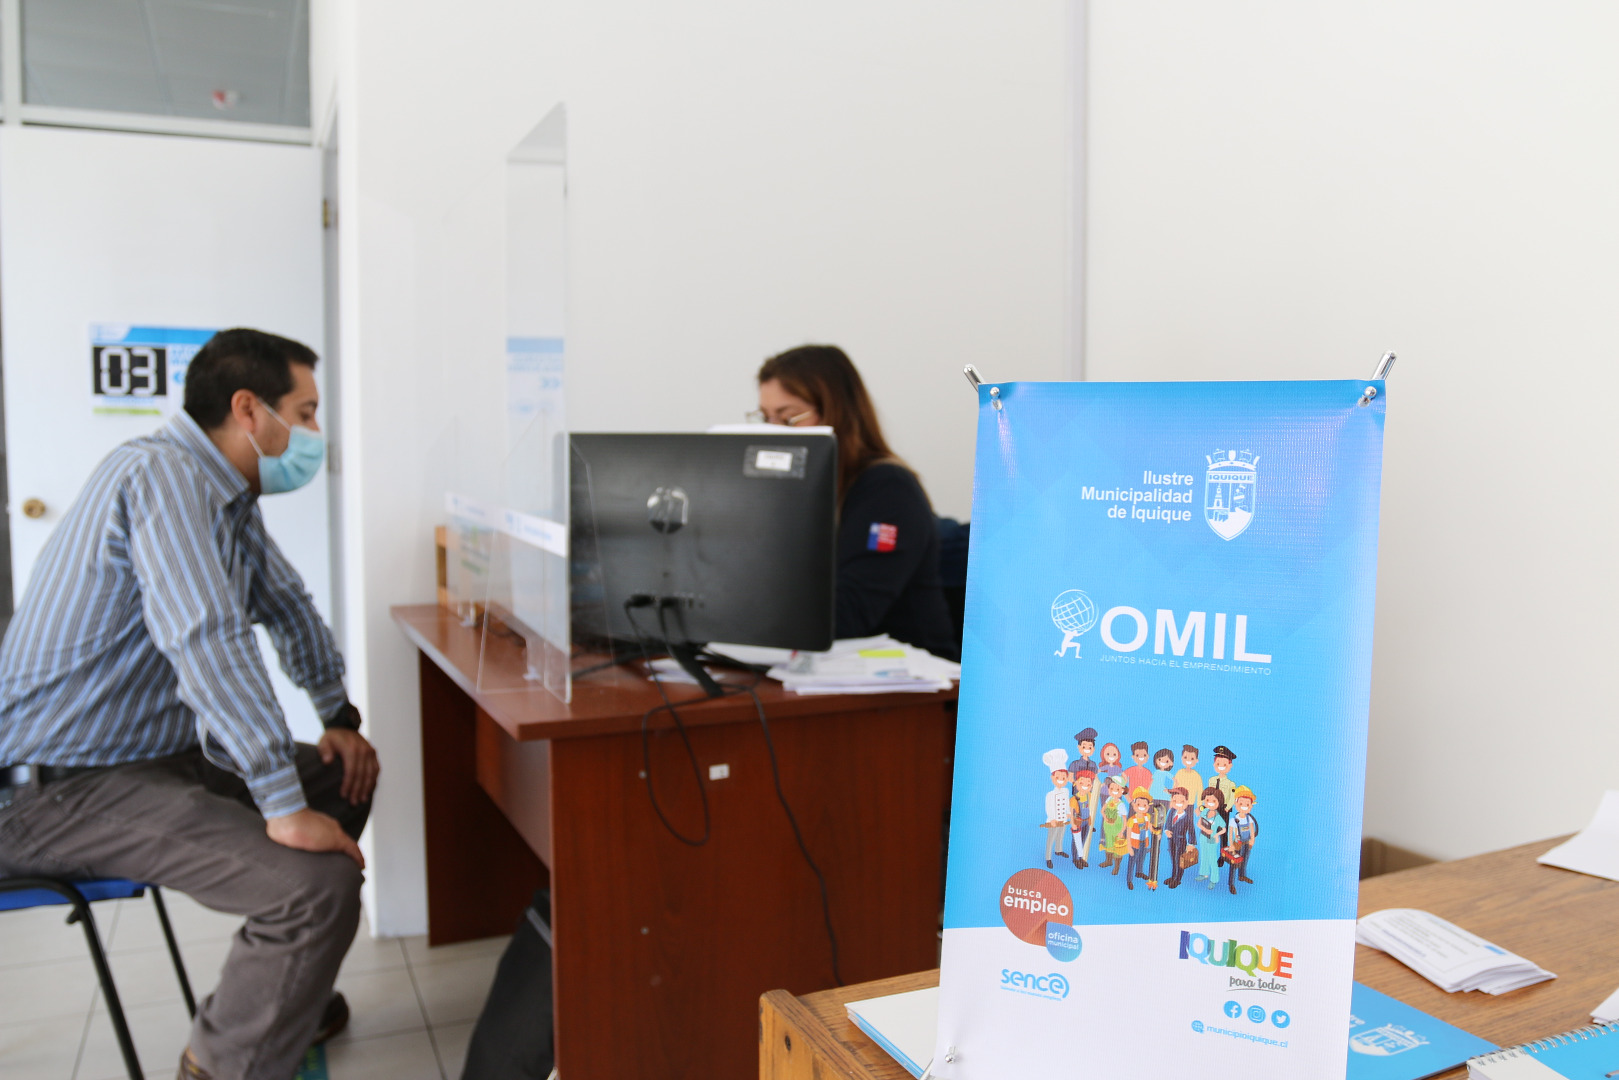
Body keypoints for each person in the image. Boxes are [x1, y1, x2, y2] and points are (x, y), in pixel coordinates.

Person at [0, 329, 379, 1080]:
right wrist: (279, 803)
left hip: (149, 762)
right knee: (317, 887)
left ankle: (279, 999)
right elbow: (208, 638)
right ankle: (223, 1063)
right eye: (304, 413)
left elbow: (286, 604)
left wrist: (338, 719)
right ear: (248, 410)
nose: (314, 433)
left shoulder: (225, 497)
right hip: (57, 790)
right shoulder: (163, 478)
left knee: (343, 776)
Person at [753, 345, 957, 659]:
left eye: (789, 418)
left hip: (909, 675)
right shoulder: (795, 493)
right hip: (822, 666)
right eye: (766, 418)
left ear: (836, 411)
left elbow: (849, 613)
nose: (774, 433)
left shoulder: (888, 488)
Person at [1039, 749, 1071, 869]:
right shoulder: (1050, 795)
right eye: (1058, 777)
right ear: (1052, 778)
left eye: (1064, 777)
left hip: (1063, 819)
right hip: (1054, 820)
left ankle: (1058, 850)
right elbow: (1049, 808)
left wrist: (1068, 813)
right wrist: (1052, 819)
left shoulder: (1066, 791)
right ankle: (1048, 857)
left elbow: (1067, 803)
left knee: (1061, 835)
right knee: (1051, 838)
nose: (1061, 780)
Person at [1162, 787, 1196, 889]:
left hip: (1181, 841)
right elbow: (1168, 822)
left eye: (1182, 801)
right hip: (1171, 840)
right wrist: (1166, 830)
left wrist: (1191, 844)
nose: (1178, 804)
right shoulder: (1172, 811)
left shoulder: (1187, 817)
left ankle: (1177, 879)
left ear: (1187, 802)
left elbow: (1191, 831)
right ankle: (1173, 876)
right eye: (1175, 801)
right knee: (1173, 859)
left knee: (1179, 860)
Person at [1196, 787, 1226, 890]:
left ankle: (1214, 879)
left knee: (1212, 859)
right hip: (1203, 837)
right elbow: (1199, 823)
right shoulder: (1204, 811)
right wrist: (1205, 830)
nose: (1210, 803)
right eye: (1207, 800)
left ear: (1219, 802)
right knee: (1204, 856)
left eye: (1214, 801)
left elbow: (1224, 829)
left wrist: (1216, 835)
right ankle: (1204, 874)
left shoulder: (1218, 817)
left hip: (1212, 840)